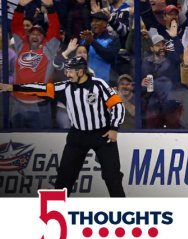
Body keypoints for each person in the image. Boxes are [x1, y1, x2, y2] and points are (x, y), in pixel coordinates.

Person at [0, 56, 126, 197]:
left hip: (102, 135)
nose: (67, 74)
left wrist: (114, 128)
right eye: (67, 71)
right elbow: (40, 88)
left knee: (112, 175)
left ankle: (121, 210)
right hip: (77, 135)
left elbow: (117, 105)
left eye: (70, 71)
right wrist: (13, 87)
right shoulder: (64, 87)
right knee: (65, 175)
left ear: (81, 71)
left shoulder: (99, 85)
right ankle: (57, 210)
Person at [10, 0, 60, 129]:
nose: (35, 36)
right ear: (28, 35)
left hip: (40, 105)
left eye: (39, 34)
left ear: (44, 37)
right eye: (32, 33)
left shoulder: (48, 49)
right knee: (16, 141)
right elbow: (16, 26)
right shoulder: (21, 45)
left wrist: (50, 8)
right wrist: (20, 7)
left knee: (43, 142)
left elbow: (54, 29)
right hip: (17, 104)